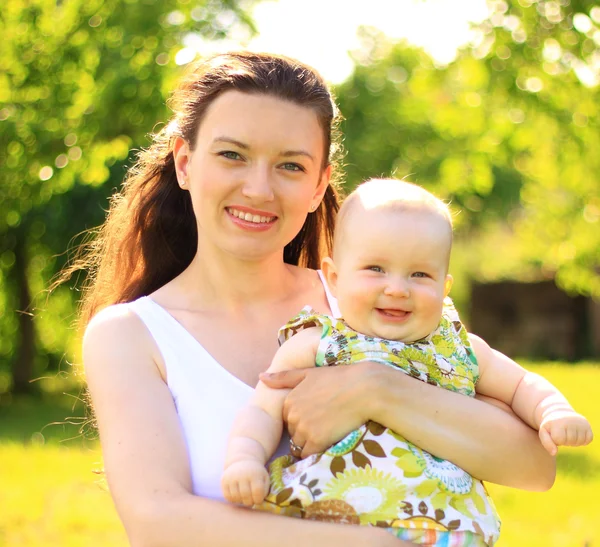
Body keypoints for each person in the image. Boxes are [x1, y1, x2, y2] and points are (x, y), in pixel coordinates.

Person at [79, 52, 556, 547]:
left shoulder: (377, 300)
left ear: (318, 186)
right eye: (232, 155)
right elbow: (159, 523)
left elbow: (534, 466)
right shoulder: (132, 334)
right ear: (185, 163)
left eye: (290, 165)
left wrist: (376, 388)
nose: (258, 188)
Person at [222, 179, 593, 546]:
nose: (397, 288)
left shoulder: (459, 348)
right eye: (376, 269)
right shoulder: (318, 343)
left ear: (444, 288)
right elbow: (263, 410)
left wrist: (554, 411)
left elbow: (521, 384)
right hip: (336, 522)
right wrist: (244, 459)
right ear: (334, 279)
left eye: (419, 274)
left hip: (449, 528)